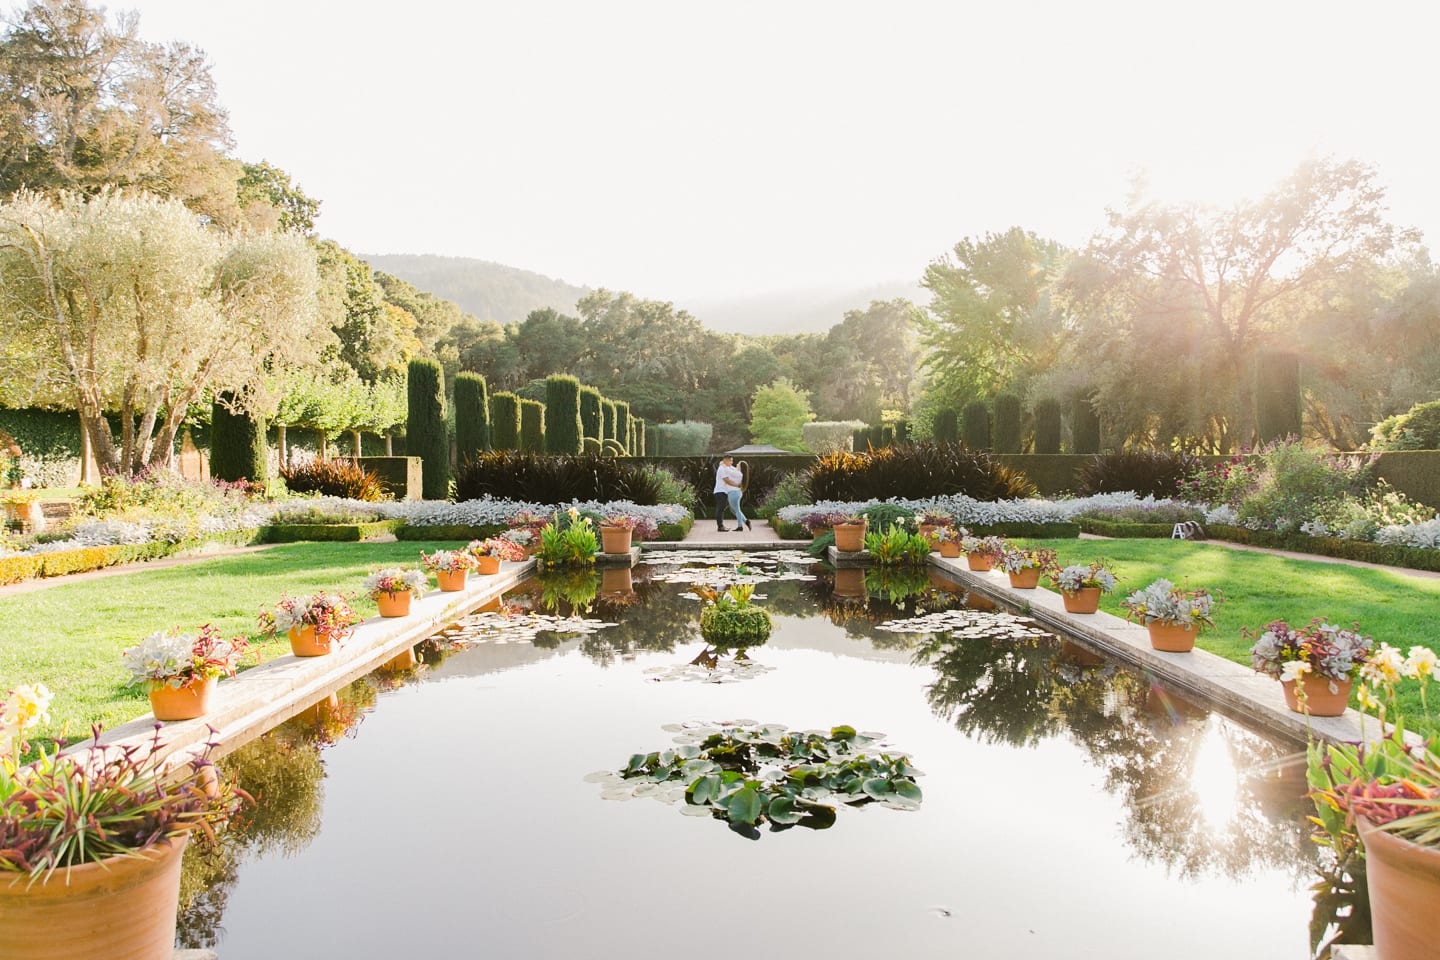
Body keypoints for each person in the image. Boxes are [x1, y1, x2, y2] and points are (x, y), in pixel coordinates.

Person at [713, 455, 750, 532]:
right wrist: (722, 464)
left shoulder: (737, 473)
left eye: (737, 464)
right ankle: (721, 526)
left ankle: (741, 525)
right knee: (728, 509)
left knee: (734, 510)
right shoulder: (726, 469)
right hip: (723, 491)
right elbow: (728, 475)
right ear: (726, 460)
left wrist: (723, 464)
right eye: (731, 461)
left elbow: (729, 471)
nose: (733, 463)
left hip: (732, 493)